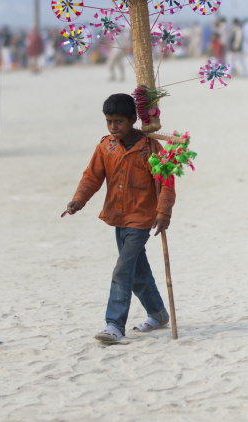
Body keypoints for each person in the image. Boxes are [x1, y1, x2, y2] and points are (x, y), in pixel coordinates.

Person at [65, 93, 175, 345]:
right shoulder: (106, 146)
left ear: (133, 119)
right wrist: (79, 199)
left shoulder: (150, 148)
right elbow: (91, 177)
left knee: (122, 269)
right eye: (109, 121)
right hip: (118, 217)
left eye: (118, 122)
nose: (113, 127)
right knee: (137, 271)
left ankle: (114, 325)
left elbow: (166, 182)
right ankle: (158, 315)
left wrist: (163, 211)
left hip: (142, 219)